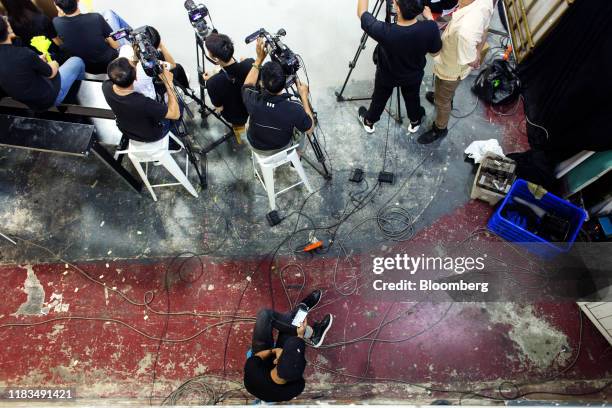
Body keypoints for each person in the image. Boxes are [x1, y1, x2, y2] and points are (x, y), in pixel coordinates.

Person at [357, 0, 442, 135]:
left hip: (386, 76)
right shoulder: (430, 27)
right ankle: (415, 122)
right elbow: (435, 52)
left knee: (379, 98)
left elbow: (362, 13)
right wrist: (430, 18)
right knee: (412, 98)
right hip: (413, 76)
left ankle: (369, 121)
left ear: (397, 7)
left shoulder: (383, 31)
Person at [419, 0, 495, 144]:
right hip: (456, 60)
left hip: (451, 68)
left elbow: (472, 61)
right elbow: (485, 29)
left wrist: (430, 19)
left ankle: (440, 128)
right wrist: (478, 50)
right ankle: (443, 97)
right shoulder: (485, 3)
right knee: (444, 91)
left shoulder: (465, 31)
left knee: (443, 99)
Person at [244, 290, 333, 403]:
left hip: (261, 362)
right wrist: (299, 335)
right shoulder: (297, 387)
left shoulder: (252, 369)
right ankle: (310, 329)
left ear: (277, 360)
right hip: (275, 369)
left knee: (264, 315)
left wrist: (274, 350)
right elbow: (294, 361)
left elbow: (258, 357)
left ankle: (307, 324)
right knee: (291, 330)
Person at [242, 38, 315, 156]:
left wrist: (259, 59)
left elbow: (247, 85)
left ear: (261, 83)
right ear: (284, 83)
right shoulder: (295, 108)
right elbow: (310, 129)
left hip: (256, 145)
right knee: (303, 129)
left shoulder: (251, 99)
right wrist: (304, 96)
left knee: (249, 122)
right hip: (282, 147)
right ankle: (297, 154)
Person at [0, 16, 85, 110]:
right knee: (77, 61)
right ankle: (72, 96)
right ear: (8, 29)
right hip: (47, 99)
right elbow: (51, 73)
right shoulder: (23, 53)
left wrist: (36, 60)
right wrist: (54, 64)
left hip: (25, 101)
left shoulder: (23, 55)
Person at [102, 57, 180, 144]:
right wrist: (169, 83)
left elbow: (129, 71)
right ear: (135, 78)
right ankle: (172, 142)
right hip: (152, 135)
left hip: (126, 129)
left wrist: (136, 56)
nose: (133, 62)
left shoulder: (106, 86)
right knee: (178, 104)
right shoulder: (142, 102)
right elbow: (175, 114)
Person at [52, 0, 130, 74]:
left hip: (88, 68)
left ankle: (128, 32)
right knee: (111, 14)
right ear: (78, 1)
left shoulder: (56, 22)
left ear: (58, 7)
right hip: (111, 63)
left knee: (108, 16)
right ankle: (130, 32)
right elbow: (116, 45)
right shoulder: (96, 17)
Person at [204, 32, 254, 138]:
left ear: (216, 59)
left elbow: (219, 108)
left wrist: (211, 80)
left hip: (237, 117)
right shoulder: (250, 64)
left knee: (242, 134)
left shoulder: (212, 83)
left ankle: (242, 139)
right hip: (254, 109)